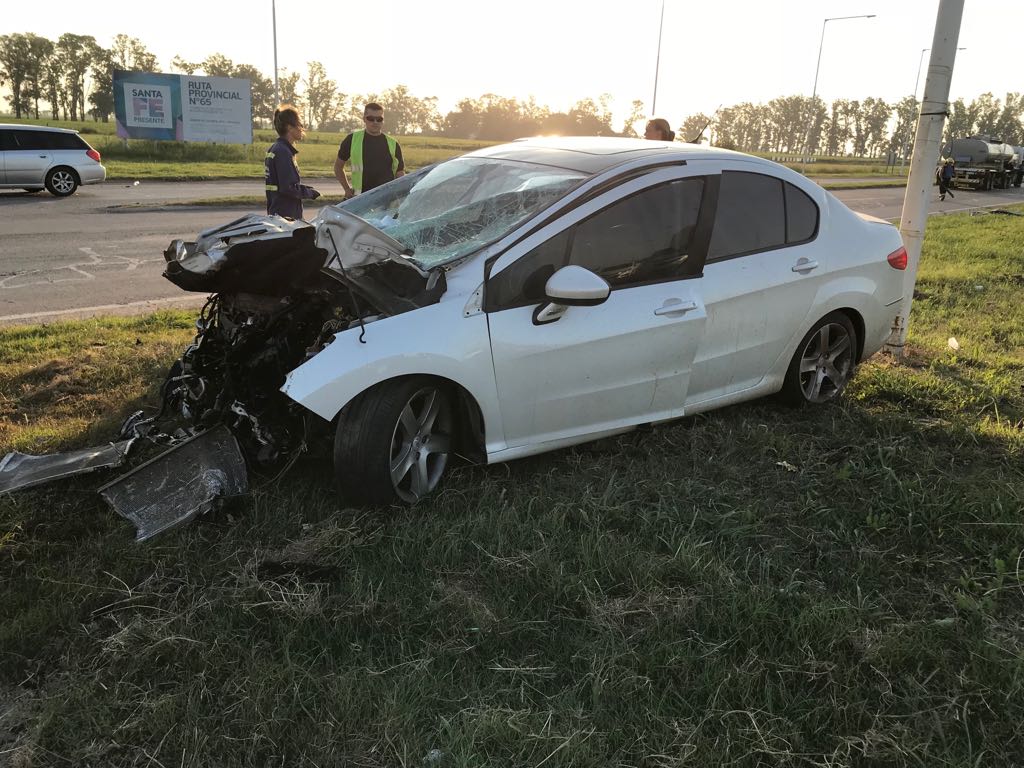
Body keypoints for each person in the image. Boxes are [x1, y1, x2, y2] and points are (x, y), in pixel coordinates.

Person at [334, 103, 405, 198]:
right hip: (360, 199)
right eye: (371, 118)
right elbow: (338, 167)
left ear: (383, 121)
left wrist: (402, 193)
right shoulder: (352, 140)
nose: (375, 122)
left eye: (379, 119)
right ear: (364, 119)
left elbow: (399, 173)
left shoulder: (393, 144)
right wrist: (347, 189)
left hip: (386, 199)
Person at [264, 104, 320, 219]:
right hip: (286, 216)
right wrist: (309, 193)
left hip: (277, 212)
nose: (302, 128)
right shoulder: (283, 152)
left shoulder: (275, 148)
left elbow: (282, 183)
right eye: (300, 124)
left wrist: (305, 188)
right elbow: (288, 188)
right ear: (289, 127)